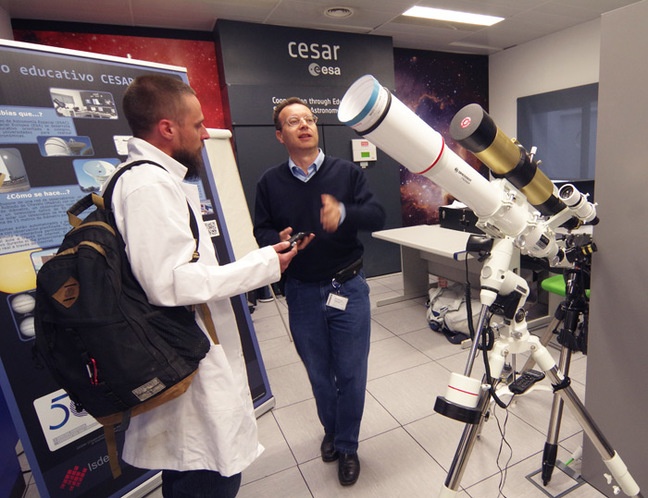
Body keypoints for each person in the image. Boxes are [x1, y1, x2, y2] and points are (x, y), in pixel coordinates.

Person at [110, 74, 297, 497]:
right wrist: (263, 264)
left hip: (188, 353)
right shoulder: (148, 186)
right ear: (167, 128)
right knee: (211, 474)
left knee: (197, 467)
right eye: (197, 125)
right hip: (185, 355)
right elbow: (170, 284)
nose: (206, 133)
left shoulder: (155, 179)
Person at [253, 97, 386, 486]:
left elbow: (376, 215)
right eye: (293, 121)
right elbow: (260, 230)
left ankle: (347, 444)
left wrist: (344, 213)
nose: (304, 125)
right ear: (281, 135)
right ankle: (331, 428)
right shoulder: (269, 182)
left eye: (309, 119)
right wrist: (273, 239)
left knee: (351, 373)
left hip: (348, 286)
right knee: (319, 374)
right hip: (302, 293)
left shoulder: (347, 172)